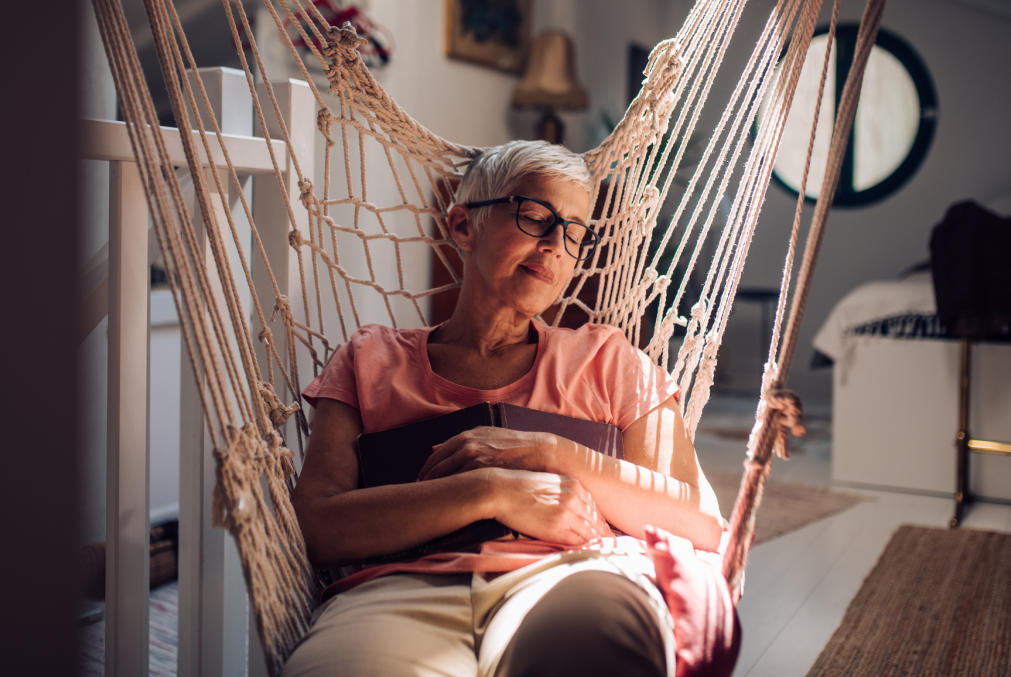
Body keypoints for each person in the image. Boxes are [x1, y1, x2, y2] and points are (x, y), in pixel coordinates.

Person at [284, 141, 739, 677]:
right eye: (534, 215)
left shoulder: (610, 361)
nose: (554, 245)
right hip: (400, 589)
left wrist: (553, 454)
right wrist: (489, 490)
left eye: (573, 231)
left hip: (570, 574)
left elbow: (700, 522)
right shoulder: (371, 359)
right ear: (462, 226)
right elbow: (318, 528)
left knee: (597, 645)